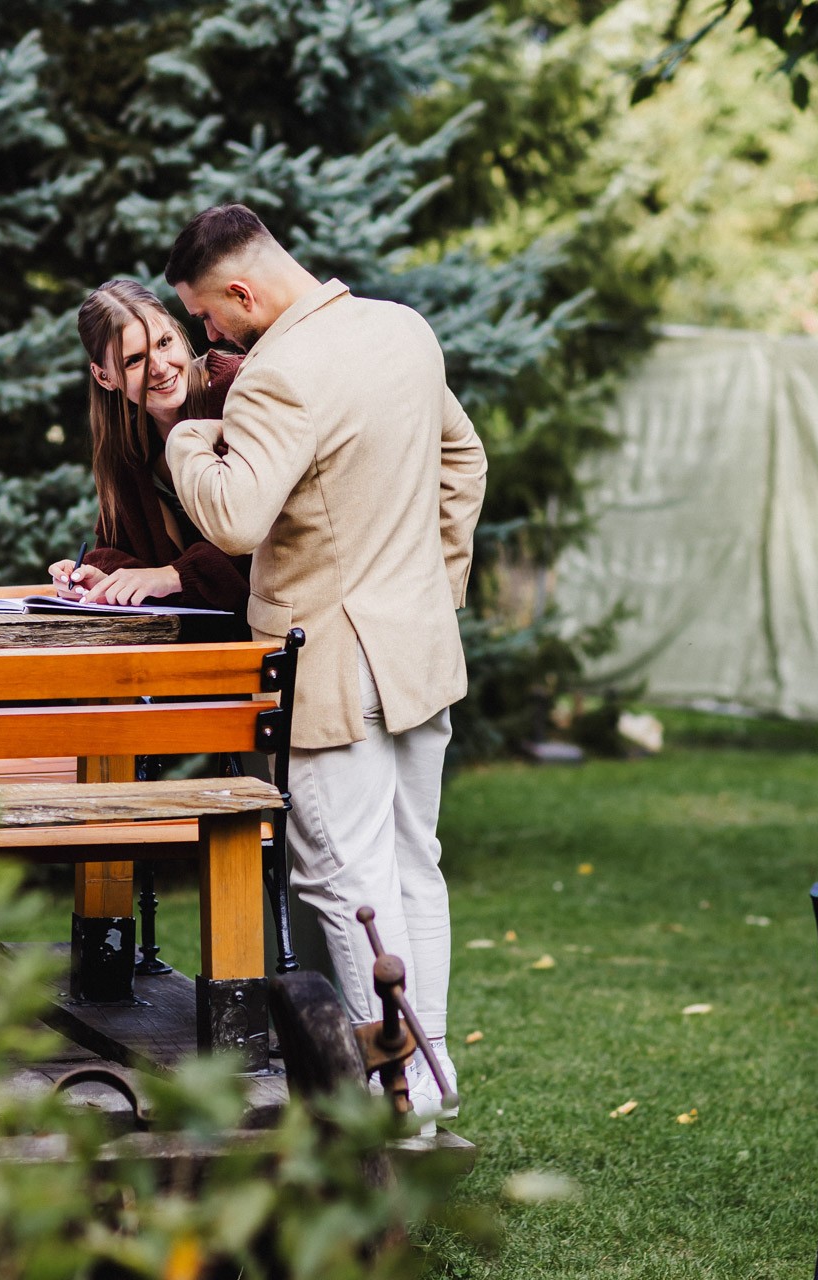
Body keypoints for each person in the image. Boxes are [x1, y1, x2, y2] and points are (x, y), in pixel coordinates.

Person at [160, 204, 487, 1125]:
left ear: (240, 289)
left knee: (344, 883)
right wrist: (431, 587)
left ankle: (386, 1096)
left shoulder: (278, 376)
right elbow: (466, 462)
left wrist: (186, 430)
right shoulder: (403, 331)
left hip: (334, 666)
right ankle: (429, 1080)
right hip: (419, 650)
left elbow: (231, 516)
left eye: (206, 316)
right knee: (413, 866)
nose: (205, 336)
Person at [45, 279, 252, 612]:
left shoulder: (236, 389)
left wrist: (175, 575)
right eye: (134, 360)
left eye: (165, 342)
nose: (160, 367)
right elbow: (129, 556)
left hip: (279, 634)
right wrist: (100, 575)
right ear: (103, 377)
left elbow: (276, 538)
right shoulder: (126, 448)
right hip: (194, 642)